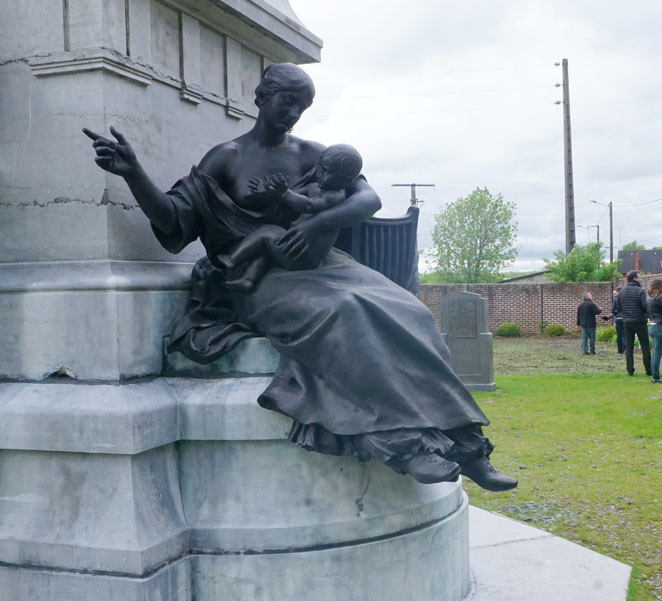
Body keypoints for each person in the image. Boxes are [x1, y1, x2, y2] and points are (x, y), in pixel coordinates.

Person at [84, 63, 516, 492]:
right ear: (261, 95)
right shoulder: (226, 158)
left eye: (303, 106)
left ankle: (467, 445)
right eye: (287, 100)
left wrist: (315, 225)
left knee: (412, 311)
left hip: (324, 261)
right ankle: (408, 444)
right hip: (257, 276)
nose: (293, 112)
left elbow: (368, 199)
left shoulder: (314, 154)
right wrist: (134, 174)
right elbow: (176, 223)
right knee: (346, 312)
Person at [217, 144, 363, 293]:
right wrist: (269, 191)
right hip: (293, 247)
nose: (319, 173)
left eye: (327, 171)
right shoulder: (315, 187)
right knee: (267, 248)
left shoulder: (334, 196)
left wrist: (285, 193)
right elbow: (292, 196)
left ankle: (233, 259)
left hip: (303, 255)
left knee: (267, 232)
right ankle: (248, 280)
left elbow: (308, 205)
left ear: (346, 181)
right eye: (320, 167)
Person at [616, 271, 652, 377]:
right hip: (640, 321)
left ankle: (630, 370)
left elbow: (618, 306)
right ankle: (648, 369)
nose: (641, 279)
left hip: (626, 321)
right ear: (635, 278)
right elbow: (644, 305)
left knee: (629, 346)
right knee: (645, 346)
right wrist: (646, 315)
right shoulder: (641, 291)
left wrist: (626, 314)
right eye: (640, 277)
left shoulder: (622, 291)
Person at [611, 287, 626, 355]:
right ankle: (626, 349)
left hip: (619, 319)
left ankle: (620, 350)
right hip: (626, 318)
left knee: (619, 335)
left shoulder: (615, 299)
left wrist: (616, 313)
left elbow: (612, 311)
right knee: (625, 335)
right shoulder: (626, 298)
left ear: (618, 291)